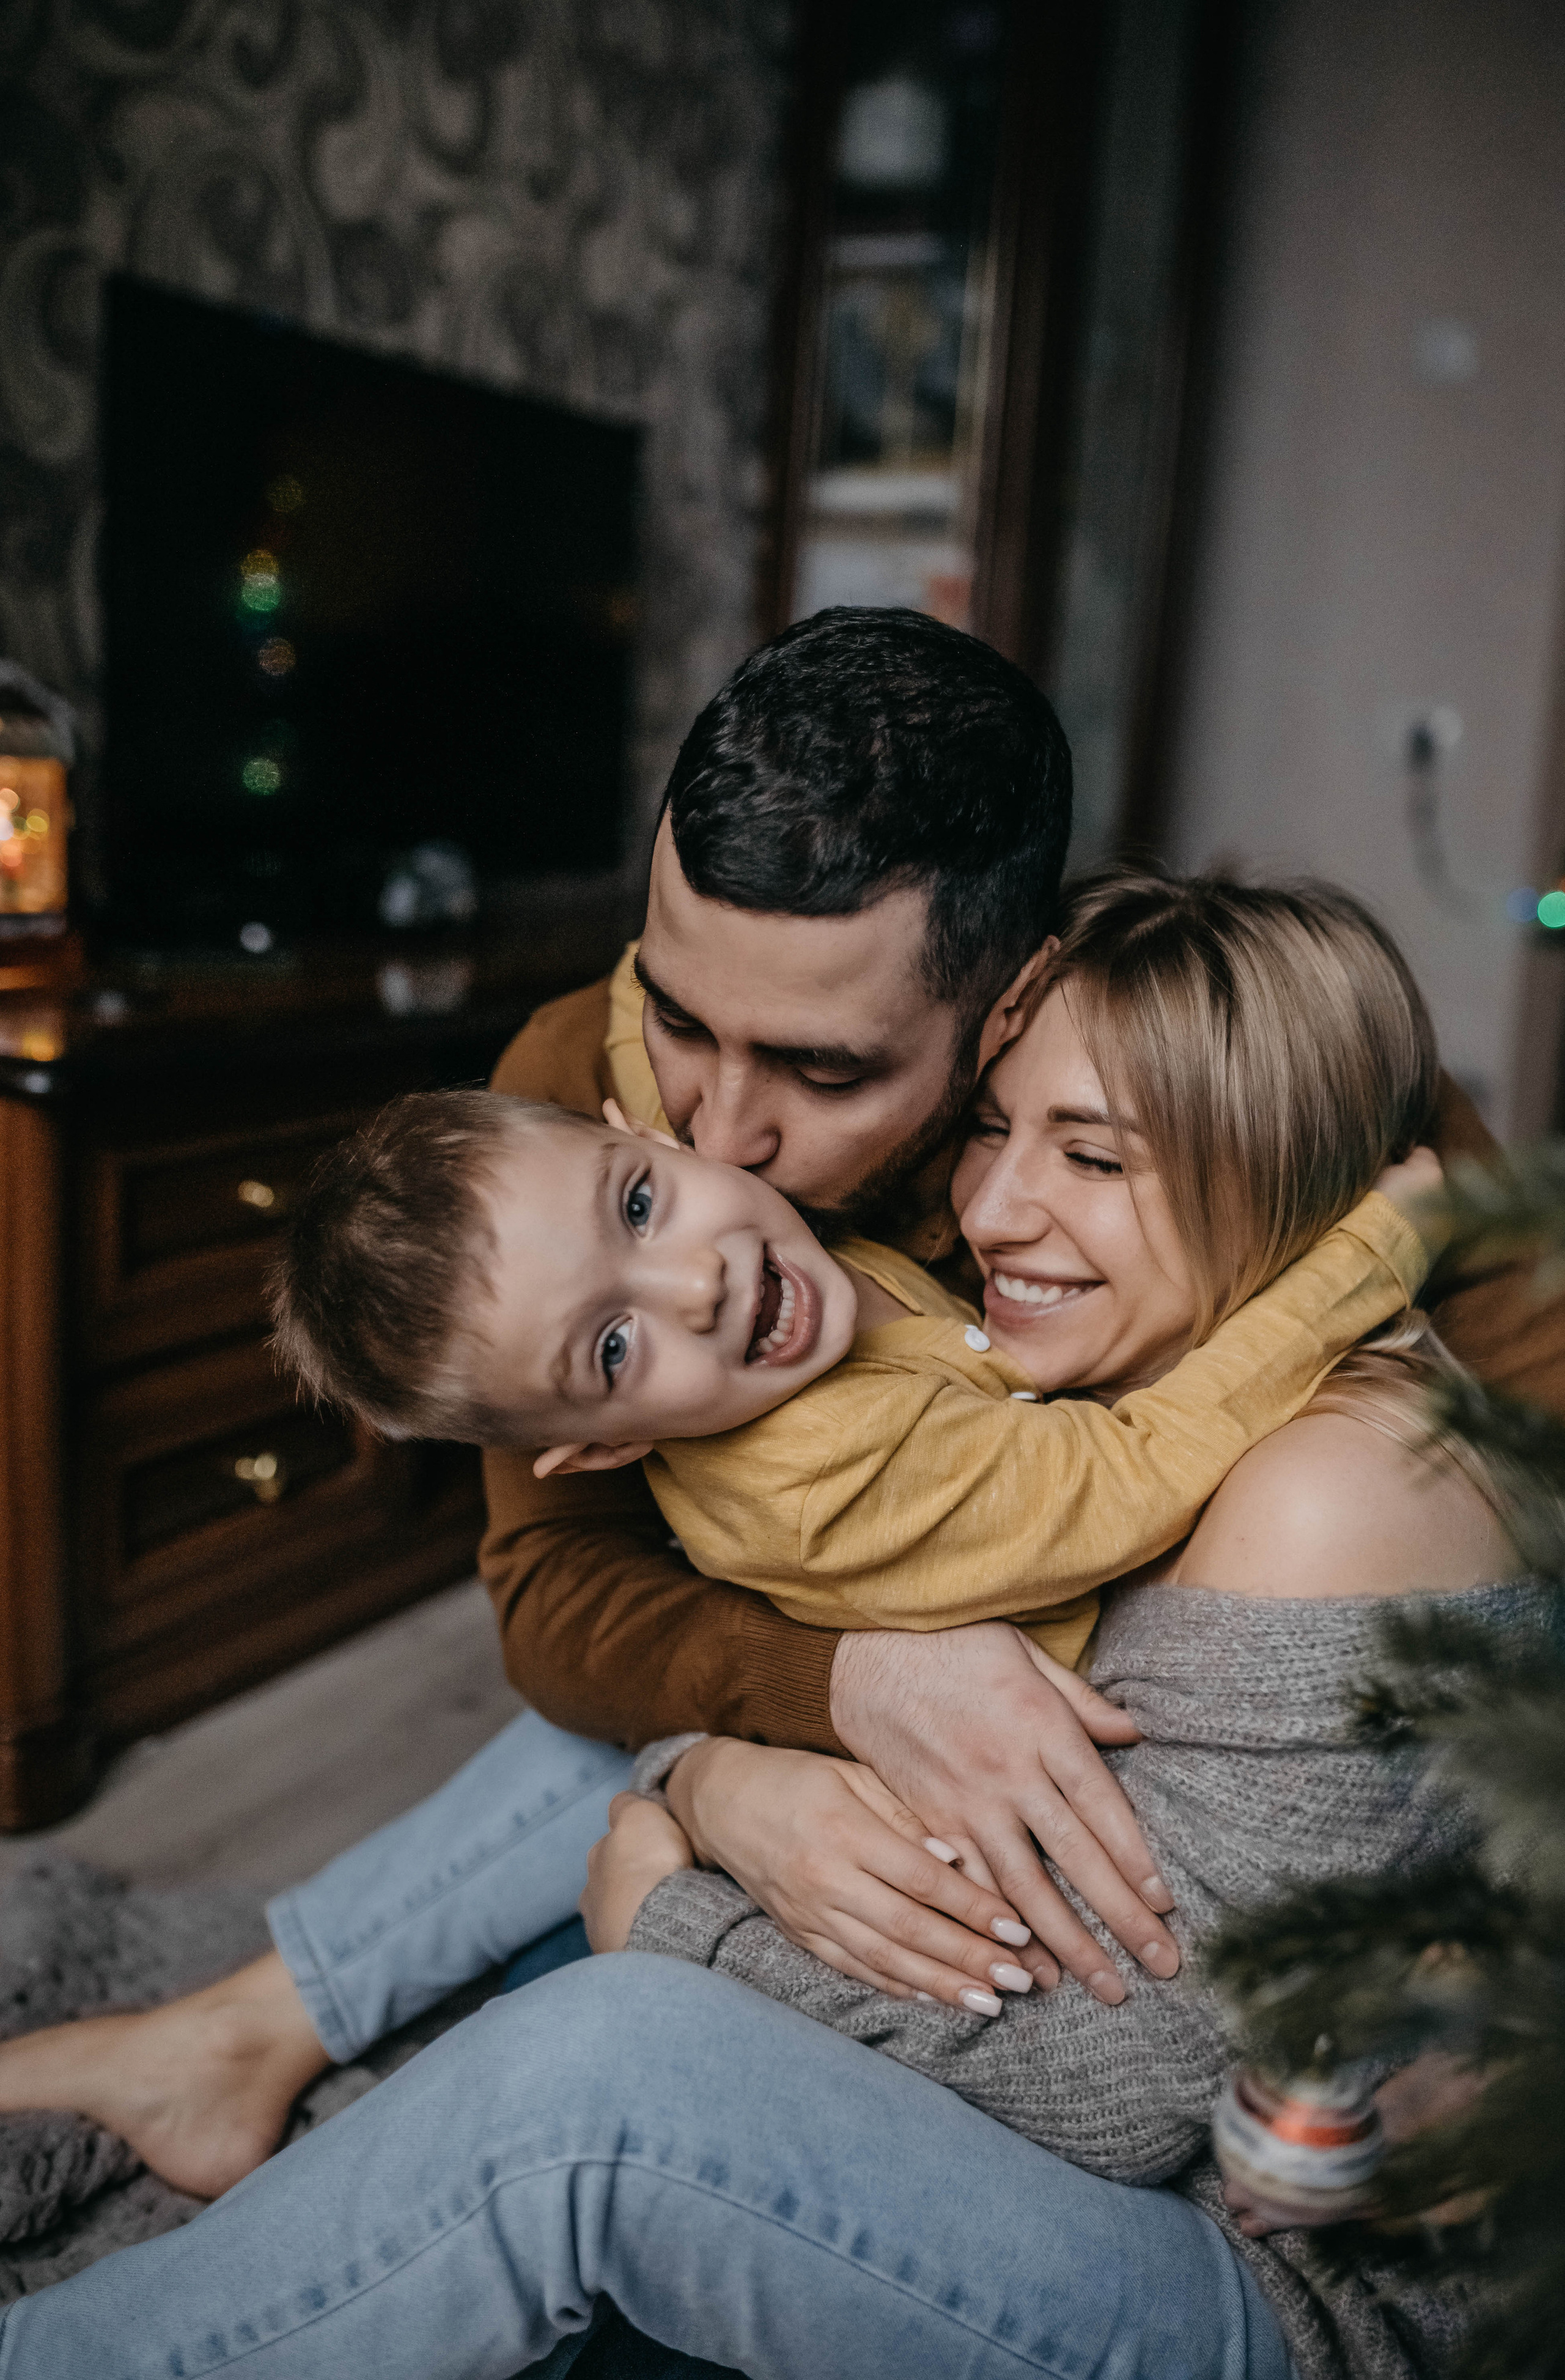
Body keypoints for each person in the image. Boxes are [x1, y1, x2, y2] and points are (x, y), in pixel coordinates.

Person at [0, 610, 1557, 2188]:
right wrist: (788, 1735)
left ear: (1012, 1001)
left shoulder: (1203, 1054)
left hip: (1186, 1717)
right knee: (586, 2014)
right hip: (886, 1707)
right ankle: (256, 2033)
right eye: (677, 1017)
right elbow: (560, 1588)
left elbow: (1534, 1385)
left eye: (822, 1071)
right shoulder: (570, 1120)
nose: (719, 1132)